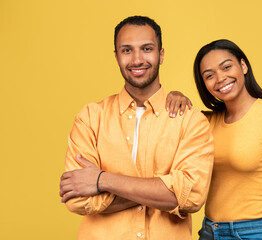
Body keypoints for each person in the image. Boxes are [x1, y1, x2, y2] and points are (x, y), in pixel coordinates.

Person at [59, 16, 214, 240]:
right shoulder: (90, 118)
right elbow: (78, 200)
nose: (137, 59)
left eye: (147, 48)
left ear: (161, 55)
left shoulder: (190, 119)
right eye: (127, 50)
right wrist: (164, 188)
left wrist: (101, 180)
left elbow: (191, 197)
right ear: (116, 56)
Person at [166, 39, 262, 240]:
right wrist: (175, 95)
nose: (220, 78)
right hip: (209, 232)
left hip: (253, 233)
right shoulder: (204, 122)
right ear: (204, 84)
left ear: (243, 66)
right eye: (209, 75)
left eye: (226, 67)